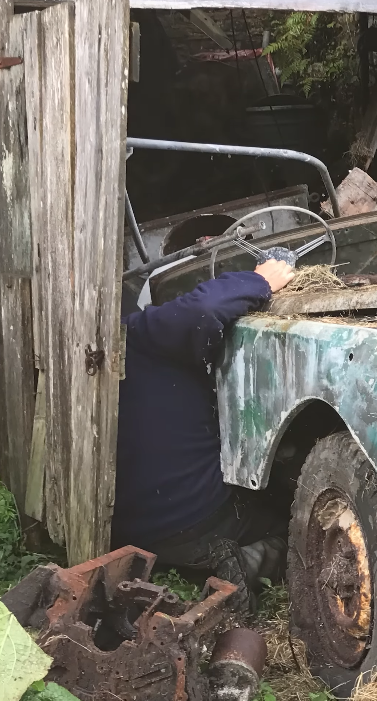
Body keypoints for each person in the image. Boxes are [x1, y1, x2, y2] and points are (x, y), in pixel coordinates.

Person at [112, 259, 296, 611]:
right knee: (293, 522)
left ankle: (188, 563)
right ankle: (242, 564)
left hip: (131, 530)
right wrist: (259, 281)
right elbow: (204, 307)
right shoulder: (144, 333)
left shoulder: (87, 362)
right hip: (195, 521)